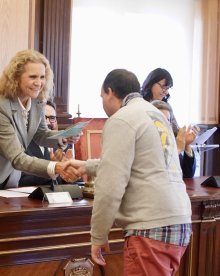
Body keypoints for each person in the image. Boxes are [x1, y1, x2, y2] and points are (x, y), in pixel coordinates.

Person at [65, 69, 192, 275]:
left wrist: (98, 236)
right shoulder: (154, 113)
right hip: (178, 222)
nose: (103, 102)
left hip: (151, 227)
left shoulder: (122, 118)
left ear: (110, 92)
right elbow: (142, 164)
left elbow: (110, 184)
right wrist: (85, 166)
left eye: (101, 97)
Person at [0, 50, 82, 191]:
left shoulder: (38, 101)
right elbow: (17, 158)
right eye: (32, 76)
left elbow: (40, 134)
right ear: (16, 78)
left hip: (9, 178)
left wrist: (64, 137)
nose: (39, 83)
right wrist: (56, 167)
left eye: (42, 77)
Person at [18, 100, 73, 187]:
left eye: (51, 118)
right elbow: (21, 181)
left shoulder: (64, 147)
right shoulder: (22, 145)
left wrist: (69, 171)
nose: (47, 122)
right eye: (43, 118)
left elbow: (76, 181)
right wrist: (52, 168)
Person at [151, 100, 199, 178]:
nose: (163, 124)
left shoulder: (171, 140)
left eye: (166, 120)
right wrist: (178, 149)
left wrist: (187, 145)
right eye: (159, 120)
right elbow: (156, 171)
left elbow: (187, 175)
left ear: (170, 123)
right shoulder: (144, 141)